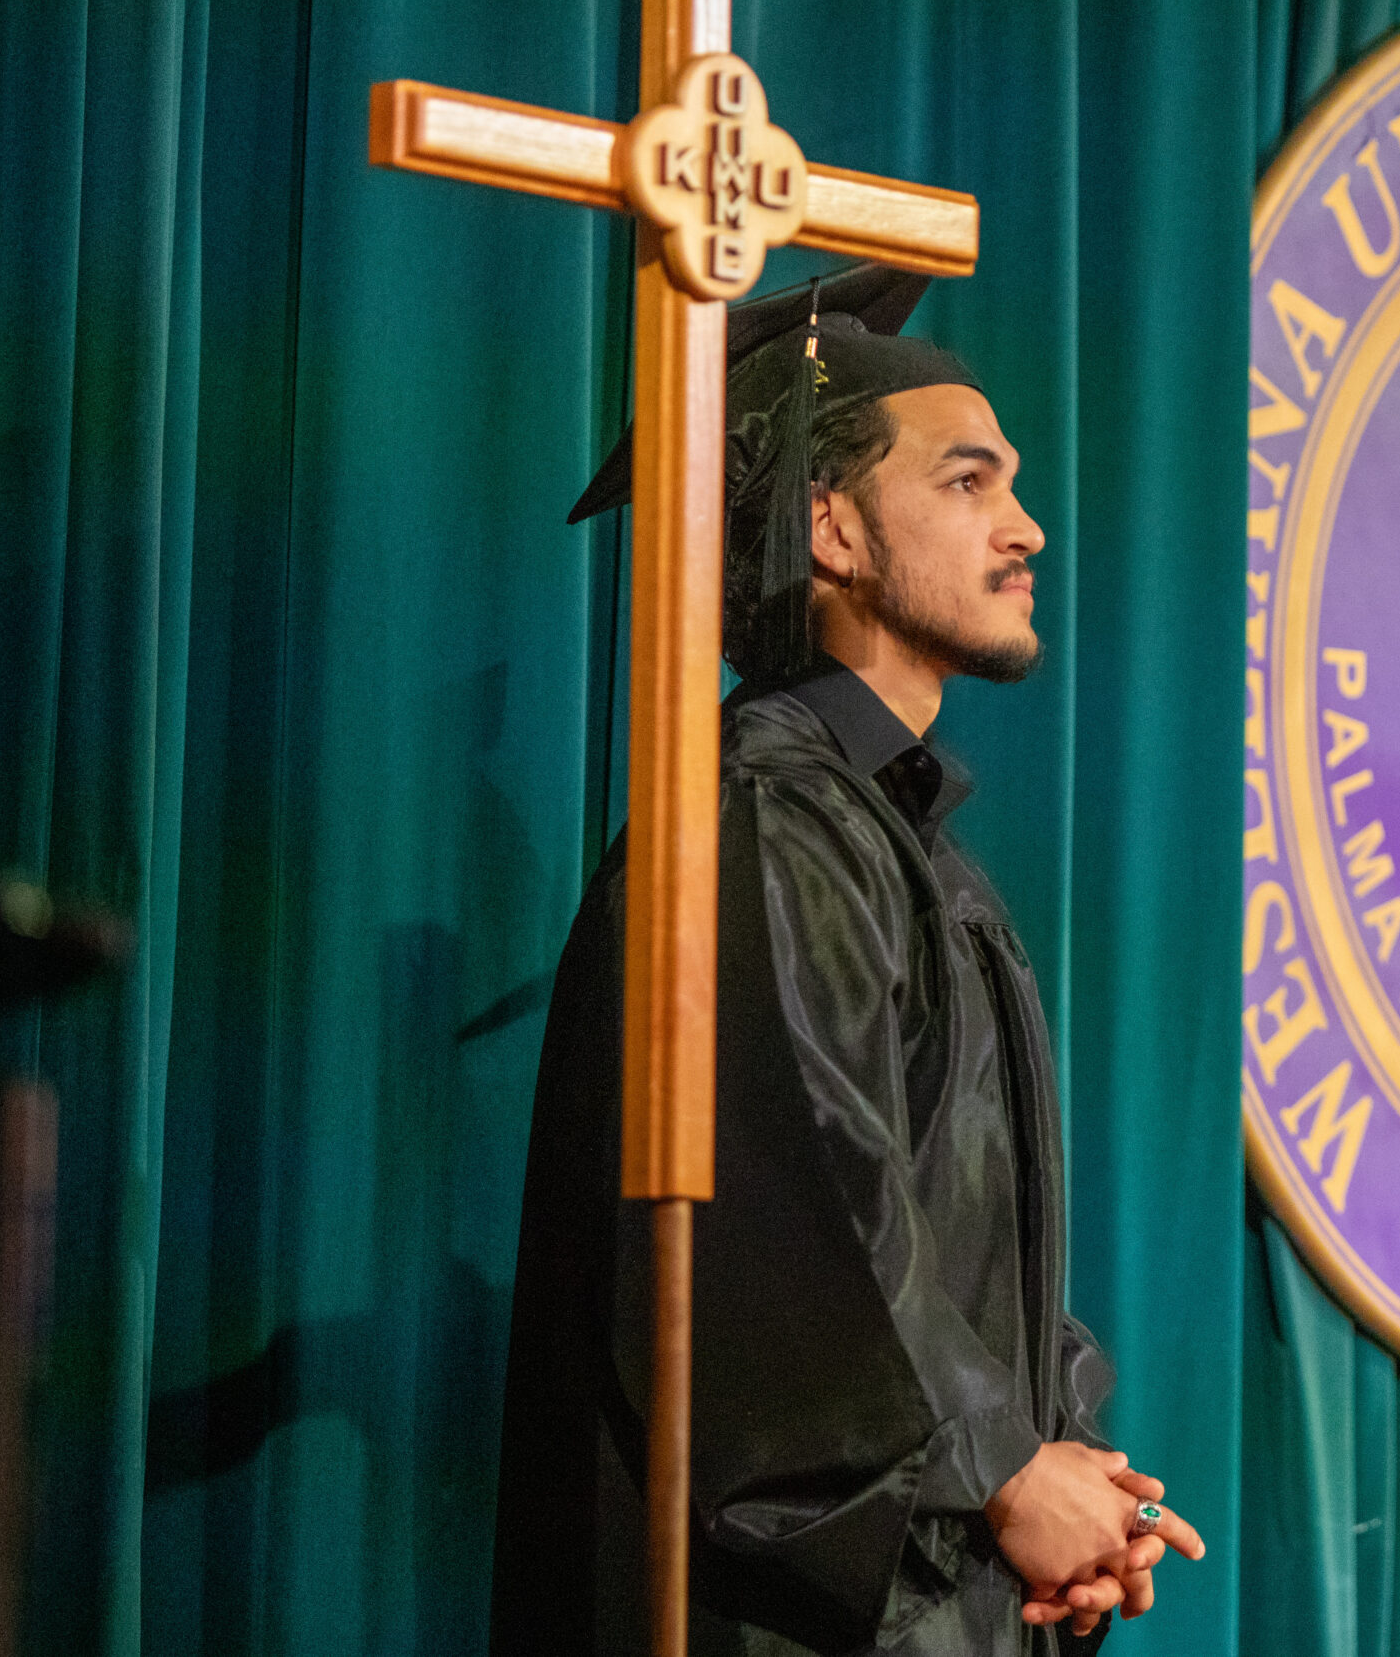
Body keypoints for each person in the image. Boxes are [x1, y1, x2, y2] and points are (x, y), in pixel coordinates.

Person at [490, 269, 1200, 1656]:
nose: (1027, 526)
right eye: (968, 483)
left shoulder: (904, 847)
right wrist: (1005, 1476)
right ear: (832, 529)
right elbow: (794, 1235)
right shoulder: (768, 827)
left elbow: (961, 1246)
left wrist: (1068, 1469)